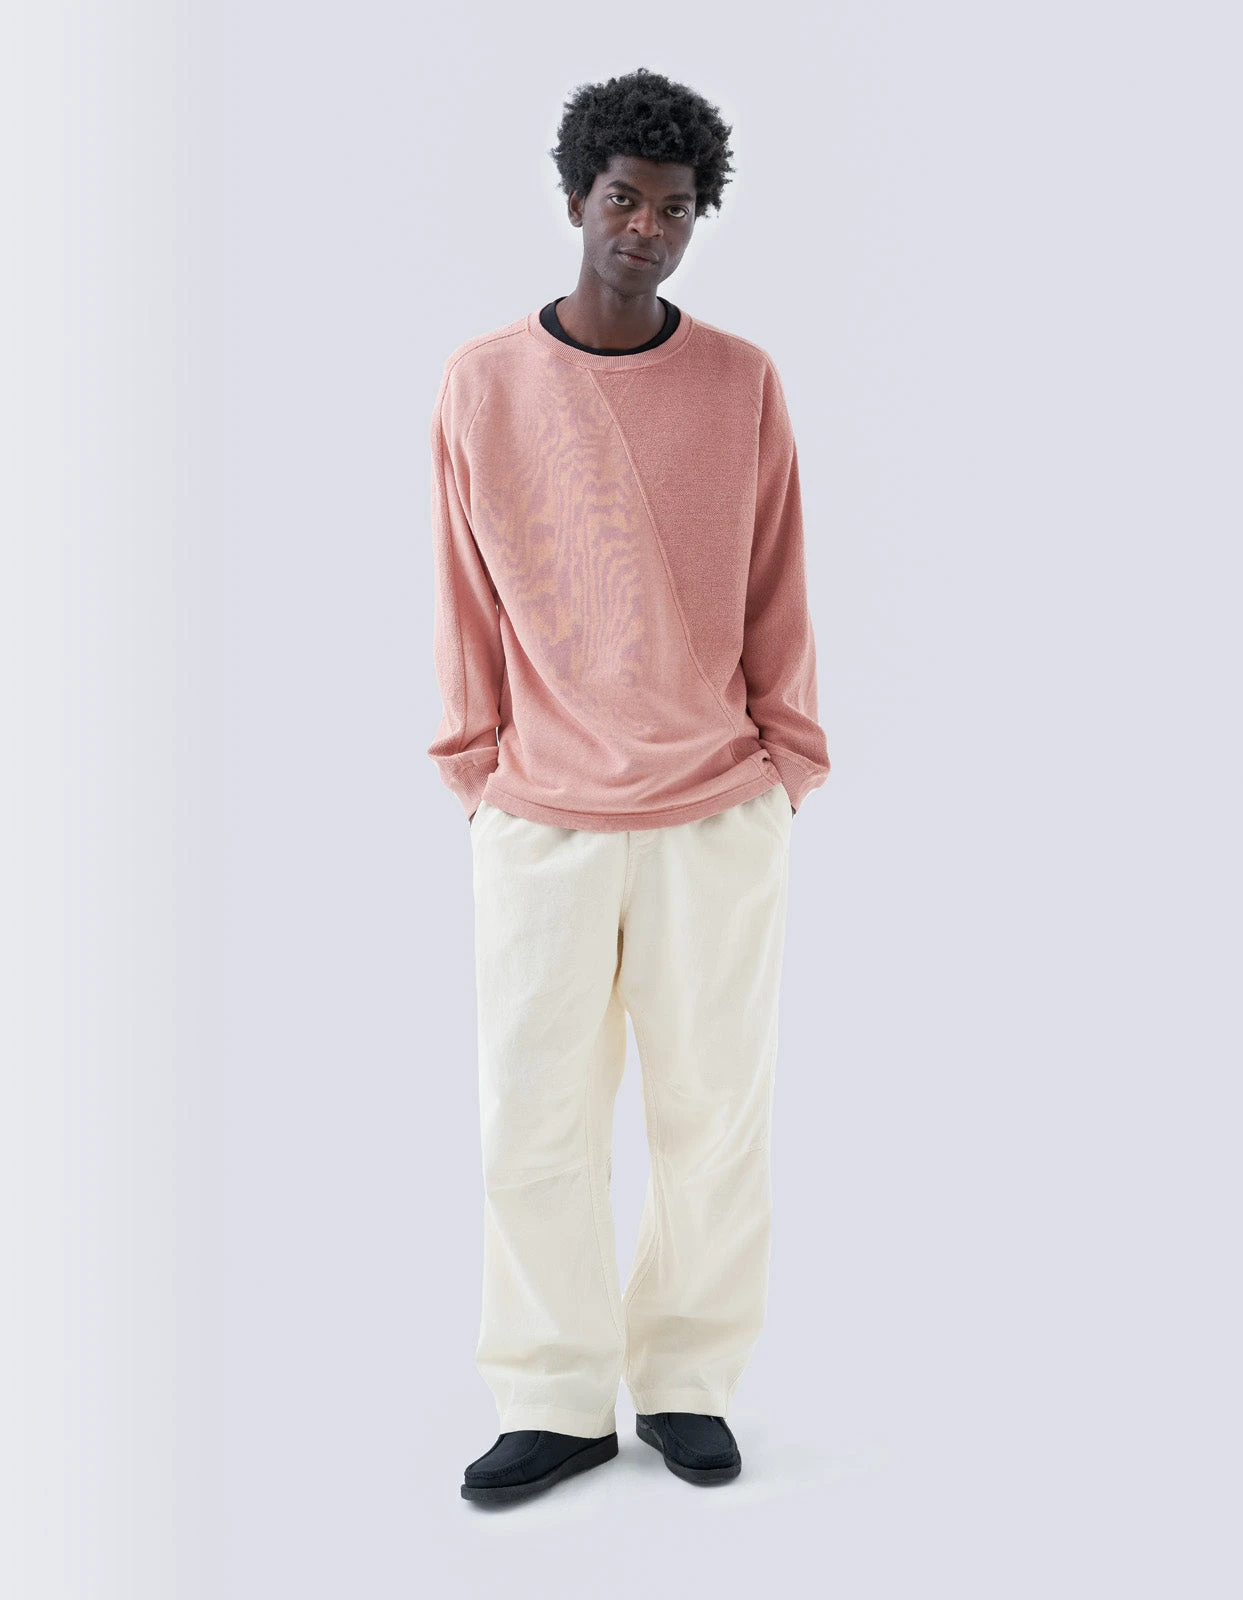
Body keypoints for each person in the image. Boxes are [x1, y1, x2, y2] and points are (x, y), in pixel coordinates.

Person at [427, 66, 831, 1506]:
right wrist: (477, 769)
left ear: (695, 218)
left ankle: (684, 1382)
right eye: (623, 199)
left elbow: (778, 577)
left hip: (715, 811)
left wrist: (786, 762)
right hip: (540, 814)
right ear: (575, 200)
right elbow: (461, 594)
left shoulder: (741, 381)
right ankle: (552, 1399)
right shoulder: (484, 382)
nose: (646, 228)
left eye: (674, 208)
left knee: (713, 1115)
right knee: (531, 1120)